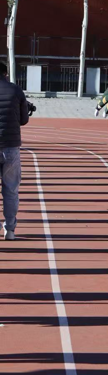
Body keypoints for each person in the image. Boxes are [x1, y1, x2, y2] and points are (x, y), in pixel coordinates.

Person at [0, 61, 29, 241]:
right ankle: (10, 229)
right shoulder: (15, 90)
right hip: (10, 146)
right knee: (10, 190)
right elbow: (24, 119)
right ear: (6, 74)